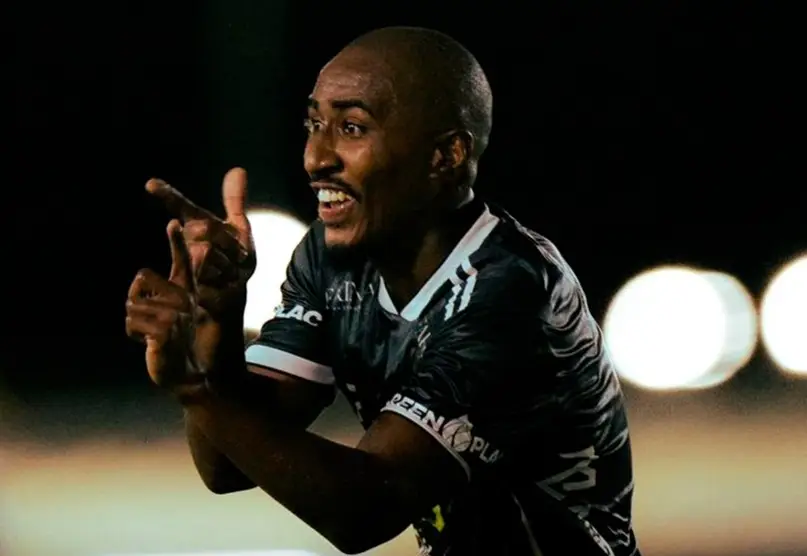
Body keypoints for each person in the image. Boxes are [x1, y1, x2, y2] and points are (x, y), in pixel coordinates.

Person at [125, 26, 640, 556]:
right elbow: (228, 464)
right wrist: (215, 329)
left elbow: (364, 510)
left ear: (447, 156)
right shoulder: (329, 258)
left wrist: (197, 389)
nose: (315, 158)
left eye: (351, 127)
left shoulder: (511, 292)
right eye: (314, 124)